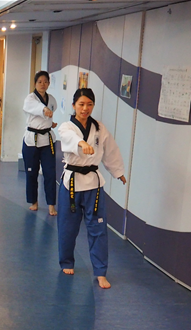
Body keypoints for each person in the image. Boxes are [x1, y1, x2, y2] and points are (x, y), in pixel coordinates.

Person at [57, 88, 127, 289]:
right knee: (67, 226)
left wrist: (118, 171)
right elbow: (69, 138)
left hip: (93, 185)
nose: (85, 108)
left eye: (89, 104)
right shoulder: (66, 127)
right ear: (74, 106)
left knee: (98, 228)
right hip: (71, 184)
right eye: (81, 104)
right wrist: (81, 143)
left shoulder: (99, 128)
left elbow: (110, 151)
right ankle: (67, 262)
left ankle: (100, 271)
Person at [24, 71, 59, 216]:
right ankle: (34, 202)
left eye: (45, 82)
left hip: (47, 140)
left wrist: (50, 123)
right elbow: (37, 108)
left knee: (50, 173)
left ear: (49, 84)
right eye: (40, 82)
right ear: (35, 83)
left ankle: (51, 204)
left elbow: (50, 112)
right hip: (31, 140)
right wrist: (44, 110)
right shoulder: (30, 99)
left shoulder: (52, 99)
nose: (42, 84)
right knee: (31, 173)